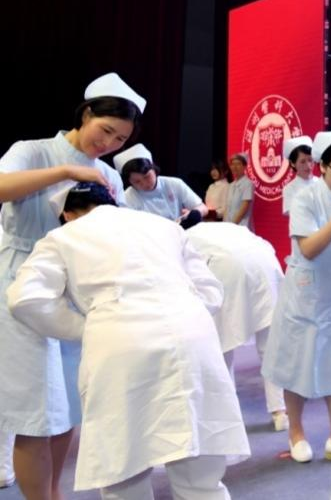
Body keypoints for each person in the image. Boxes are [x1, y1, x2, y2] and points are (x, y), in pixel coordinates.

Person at [7, 183, 249, 499]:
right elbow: (211, 291)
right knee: (201, 476)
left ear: (67, 214)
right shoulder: (164, 226)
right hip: (191, 338)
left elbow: (25, 299)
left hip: (119, 344)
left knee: (124, 472)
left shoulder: (63, 236)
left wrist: (84, 327)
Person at [0, 72, 140, 500]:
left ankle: (54, 492)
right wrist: (64, 170)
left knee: (68, 405)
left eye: (120, 139)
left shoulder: (108, 175)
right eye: (106, 130)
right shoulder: (33, 151)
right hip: (22, 287)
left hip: (77, 291)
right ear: (86, 114)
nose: (109, 143)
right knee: (36, 413)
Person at [262, 129, 331, 464]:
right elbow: (308, 248)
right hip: (306, 292)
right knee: (298, 364)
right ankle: (296, 433)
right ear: (323, 166)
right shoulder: (305, 198)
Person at [184, 221, 288, 431]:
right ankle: (280, 412)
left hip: (229, 269)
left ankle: (228, 412)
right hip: (266, 265)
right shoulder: (222, 228)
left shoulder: (183, 238)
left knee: (222, 344)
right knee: (270, 345)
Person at [114, 143, 207, 226]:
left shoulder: (174, 184)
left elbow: (202, 207)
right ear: (129, 182)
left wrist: (194, 214)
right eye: (137, 182)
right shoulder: (127, 197)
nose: (144, 183)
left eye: (147, 177)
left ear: (154, 169)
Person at [281, 136, 316, 217]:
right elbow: (293, 214)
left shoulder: (322, 183)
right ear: (293, 163)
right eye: (302, 162)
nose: (308, 165)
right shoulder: (289, 188)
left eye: (310, 160)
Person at [224, 153, 254, 229]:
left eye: (238, 164)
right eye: (232, 164)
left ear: (244, 166)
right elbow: (227, 207)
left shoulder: (248, 184)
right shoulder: (231, 185)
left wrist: (233, 226)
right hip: (229, 226)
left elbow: (244, 208)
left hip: (241, 226)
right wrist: (225, 225)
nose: (234, 167)